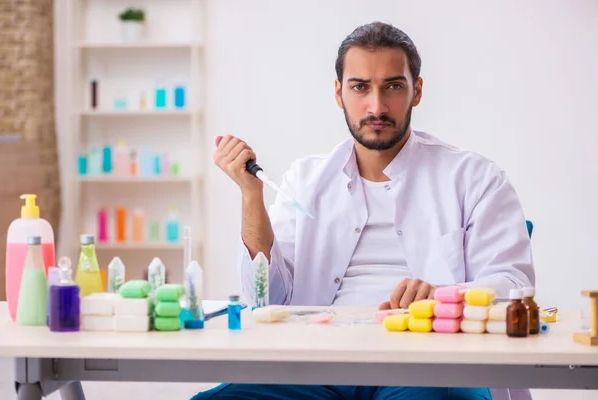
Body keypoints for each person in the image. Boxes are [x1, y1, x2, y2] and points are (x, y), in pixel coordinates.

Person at [193, 21, 534, 400]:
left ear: (416, 91)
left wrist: (443, 295)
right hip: (315, 365)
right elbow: (267, 298)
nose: (376, 106)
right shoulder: (304, 179)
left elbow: (514, 285)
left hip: (425, 364)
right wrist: (250, 195)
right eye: (360, 87)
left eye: (393, 86)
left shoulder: (474, 178)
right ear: (339, 93)